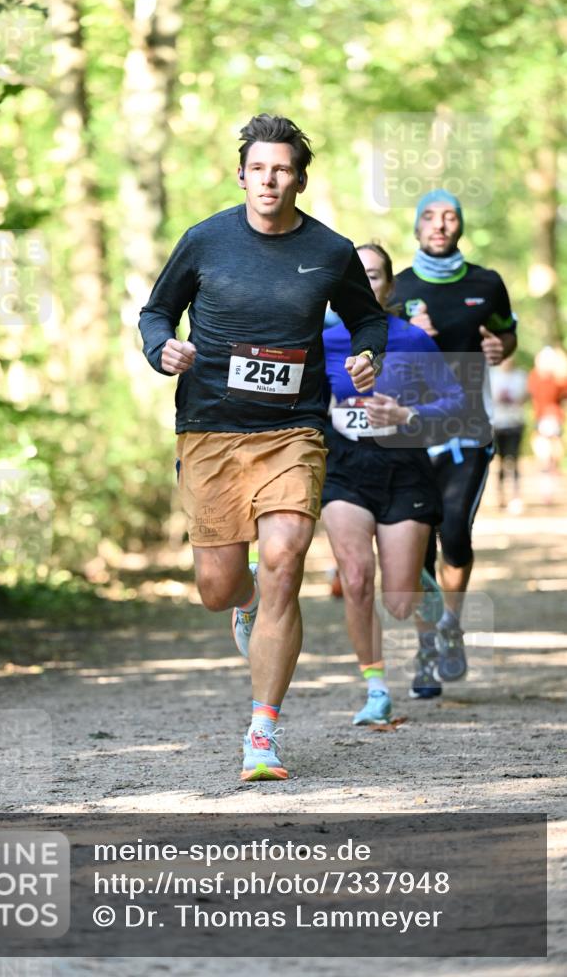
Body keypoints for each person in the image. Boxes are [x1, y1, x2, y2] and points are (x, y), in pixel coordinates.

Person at [139, 114, 387, 781]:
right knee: (218, 588)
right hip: (210, 428)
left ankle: (261, 733)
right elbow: (155, 311)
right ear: (241, 175)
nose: (269, 179)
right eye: (258, 168)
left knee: (283, 557)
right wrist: (161, 348)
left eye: (282, 169)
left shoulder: (331, 251)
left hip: (292, 431)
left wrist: (366, 354)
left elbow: (368, 318)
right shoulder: (204, 241)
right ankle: (245, 605)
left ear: (299, 180)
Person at [321, 243, 464, 724]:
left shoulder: (412, 340)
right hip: (345, 468)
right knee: (357, 578)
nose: (367, 285)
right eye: (356, 278)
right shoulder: (321, 342)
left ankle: (423, 584)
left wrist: (408, 414)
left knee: (400, 603)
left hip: (405, 467)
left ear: (389, 287)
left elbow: (456, 405)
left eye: (376, 276)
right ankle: (376, 687)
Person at [393, 189, 517, 684]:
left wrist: (499, 347)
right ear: (417, 226)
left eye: (449, 217)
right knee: (417, 548)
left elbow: (507, 334)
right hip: (410, 435)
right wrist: (406, 333)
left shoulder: (486, 284)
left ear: (460, 226)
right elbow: (368, 351)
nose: (440, 225)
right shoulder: (396, 289)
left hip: (468, 430)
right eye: (430, 216)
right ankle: (427, 645)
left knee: (456, 531)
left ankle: (452, 622)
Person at [527, 345, 567, 505]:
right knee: (544, 458)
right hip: (542, 420)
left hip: (553, 420)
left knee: (550, 458)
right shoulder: (536, 377)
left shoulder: (558, 379)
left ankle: (548, 491)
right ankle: (546, 490)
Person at [491, 356, 528, 512]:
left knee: (513, 460)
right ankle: (499, 495)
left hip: (515, 423)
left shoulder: (520, 376)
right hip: (497, 423)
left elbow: (525, 396)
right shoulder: (492, 376)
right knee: (498, 461)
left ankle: (515, 495)